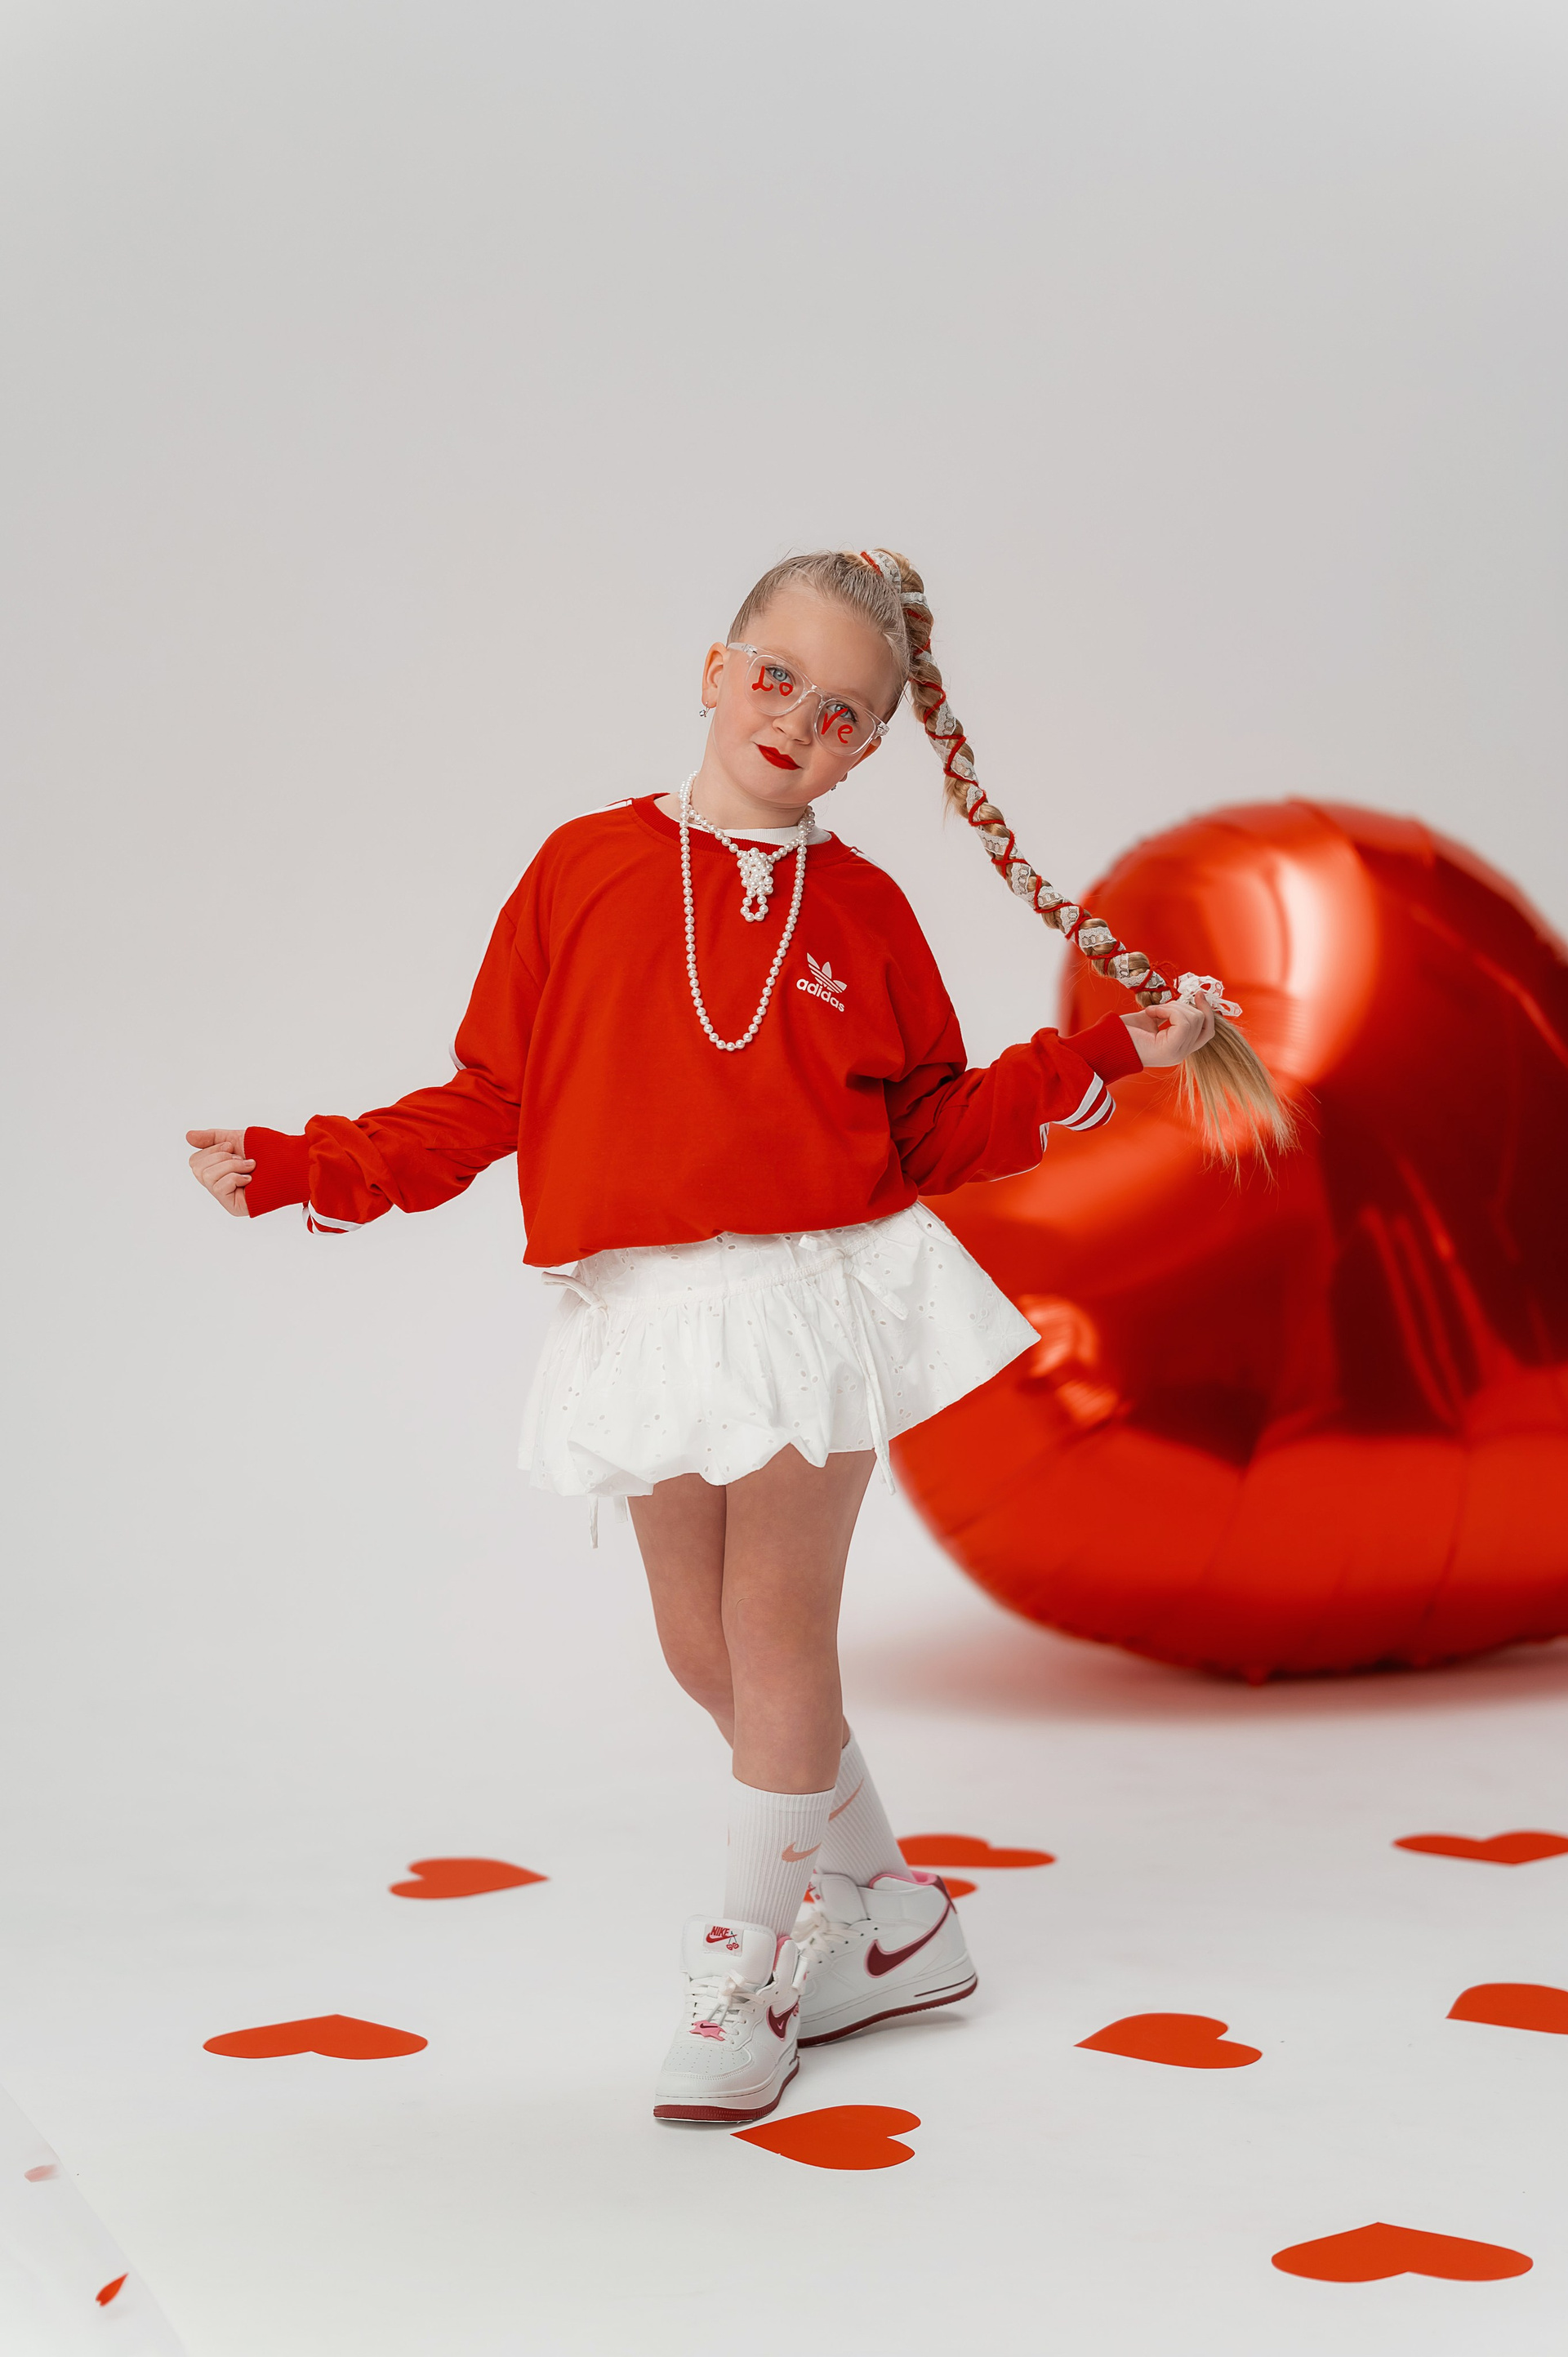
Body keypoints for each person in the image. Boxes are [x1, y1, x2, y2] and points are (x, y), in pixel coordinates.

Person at [187, 548, 1214, 2127]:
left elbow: (934, 1125)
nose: (798, 720)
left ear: (870, 749)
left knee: (777, 1631)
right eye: (778, 677)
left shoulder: (865, 909)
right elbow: (488, 1092)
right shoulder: (584, 867)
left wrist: (1110, 1054)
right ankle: (896, 1918)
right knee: (701, 1648)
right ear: (718, 668)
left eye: (844, 712)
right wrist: (310, 1165)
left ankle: (747, 1965)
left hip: (814, 1288)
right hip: (647, 1306)